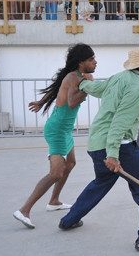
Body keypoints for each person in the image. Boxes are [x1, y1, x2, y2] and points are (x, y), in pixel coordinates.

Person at [59, 46, 139, 253]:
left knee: (101, 182)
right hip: (116, 146)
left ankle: (69, 220)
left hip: (96, 144)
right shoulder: (137, 88)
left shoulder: (120, 77)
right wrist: (112, 154)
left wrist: (84, 83)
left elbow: (99, 89)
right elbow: (119, 124)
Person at [13, 43, 96, 229]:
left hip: (64, 129)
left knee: (71, 163)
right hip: (57, 129)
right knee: (55, 173)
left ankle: (54, 201)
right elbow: (72, 102)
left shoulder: (76, 76)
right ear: (81, 62)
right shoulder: (74, 77)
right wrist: (88, 86)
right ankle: (24, 210)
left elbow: (56, 88)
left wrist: (42, 101)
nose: (95, 62)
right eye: (91, 59)